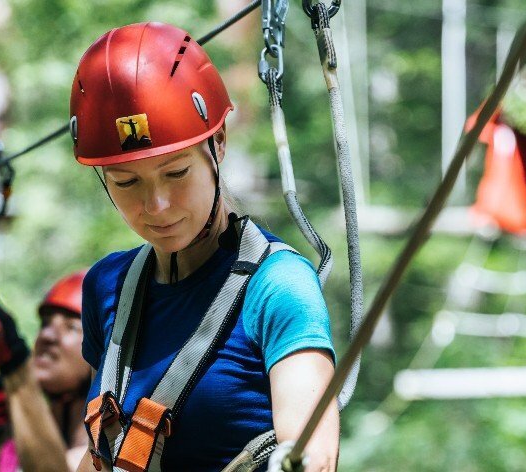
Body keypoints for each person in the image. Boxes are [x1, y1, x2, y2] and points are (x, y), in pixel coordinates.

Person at [69, 22, 340, 472]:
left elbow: (314, 455)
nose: (155, 205)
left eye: (176, 173)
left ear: (218, 143)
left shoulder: (279, 286)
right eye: (126, 182)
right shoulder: (106, 286)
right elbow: (106, 452)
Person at [0, 271, 91, 472]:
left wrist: (16, 369)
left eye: (71, 327)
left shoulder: (114, 450)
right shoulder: (12, 443)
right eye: (45, 324)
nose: (46, 335)